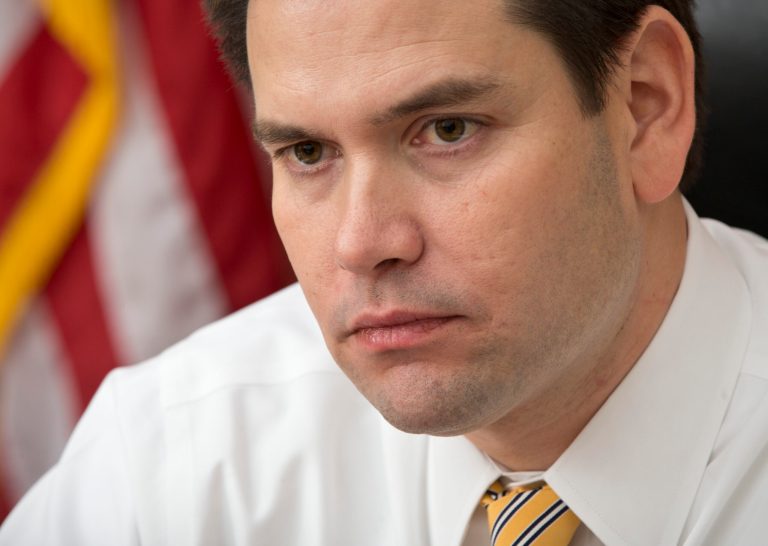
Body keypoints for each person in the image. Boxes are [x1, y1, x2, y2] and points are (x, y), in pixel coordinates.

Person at [2, 0, 767, 544]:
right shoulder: (174, 463)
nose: (361, 243)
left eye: (447, 130)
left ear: (645, 105)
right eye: (307, 153)